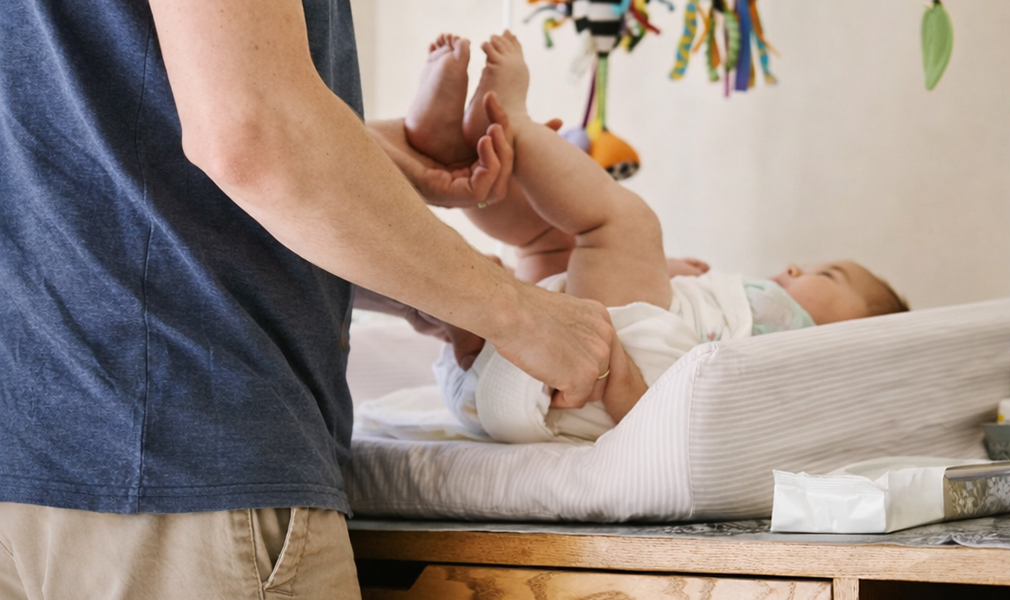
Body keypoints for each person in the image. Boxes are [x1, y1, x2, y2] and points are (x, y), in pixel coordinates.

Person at [0, 2, 624, 598]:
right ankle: (492, 120)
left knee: (595, 236)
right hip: (178, 453)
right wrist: (517, 312)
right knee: (612, 235)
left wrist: (406, 268)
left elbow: (85, 150)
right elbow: (254, 133)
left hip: (32, 448)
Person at [403, 31, 908, 443]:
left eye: (829, 274)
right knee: (545, 245)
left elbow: (684, 418)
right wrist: (669, 272)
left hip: (601, 375)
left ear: (851, 339)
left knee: (625, 225)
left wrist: (649, 271)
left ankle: (510, 122)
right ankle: (457, 160)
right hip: (517, 374)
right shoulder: (736, 307)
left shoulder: (800, 365)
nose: (798, 267)